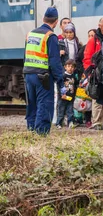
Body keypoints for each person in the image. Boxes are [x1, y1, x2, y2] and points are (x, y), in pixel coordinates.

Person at [23, 7, 65, 135]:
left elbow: (25, 56)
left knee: (32, 104)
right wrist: (61, 82)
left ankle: (31, 131)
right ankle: (41, 134)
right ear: (56, 22)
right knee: (44, 105)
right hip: (43, 77)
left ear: (43, 19)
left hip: (28, 74)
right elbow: (54, 62)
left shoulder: (30, 34)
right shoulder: (50, 36)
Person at [83, 17, 103, 130]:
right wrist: (89, 73)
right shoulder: (93, 40)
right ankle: (97, 122)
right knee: (97, 96)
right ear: (99, 25)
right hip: (97, 72)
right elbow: (87, 57)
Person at [56, 59, 78, 129]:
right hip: (63, 97)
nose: (70, 68)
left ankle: (70, 122)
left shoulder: (74, 76)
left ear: (74, 68)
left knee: (70, 111)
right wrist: (62, 94)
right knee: (61, 110)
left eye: (72, 67)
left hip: (71, 97)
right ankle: (59, 123)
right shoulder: (63, 76)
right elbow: (59, 85)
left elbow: (75, 85)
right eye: (68, 66)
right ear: (65, 67)